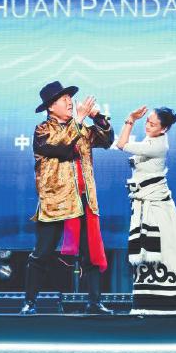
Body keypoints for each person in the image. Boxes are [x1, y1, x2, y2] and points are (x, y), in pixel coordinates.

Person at [20, 81, 115, 315]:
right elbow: (61, 146)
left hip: (83, 200)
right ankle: (30, 302)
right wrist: (79, 119)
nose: (70, 103)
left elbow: (106, 140)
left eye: (70, 99)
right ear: (51, 107)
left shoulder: (81, 128)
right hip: (56, 201)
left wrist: (97, 117)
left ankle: (94, 302)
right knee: (42, 253)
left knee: (90, 253)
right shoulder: (43, 130)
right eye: (64, 100)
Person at [115, 106, 176, 315]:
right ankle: (148, 301)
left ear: (163, 129)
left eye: (153, 124)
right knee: (148, 253)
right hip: (145, 204)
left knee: (167, 250)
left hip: (157, 207)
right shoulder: (150, 140)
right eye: (147, 121)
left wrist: (130, 120)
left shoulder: (158, 145)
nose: (147, 126)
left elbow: (121, 144)